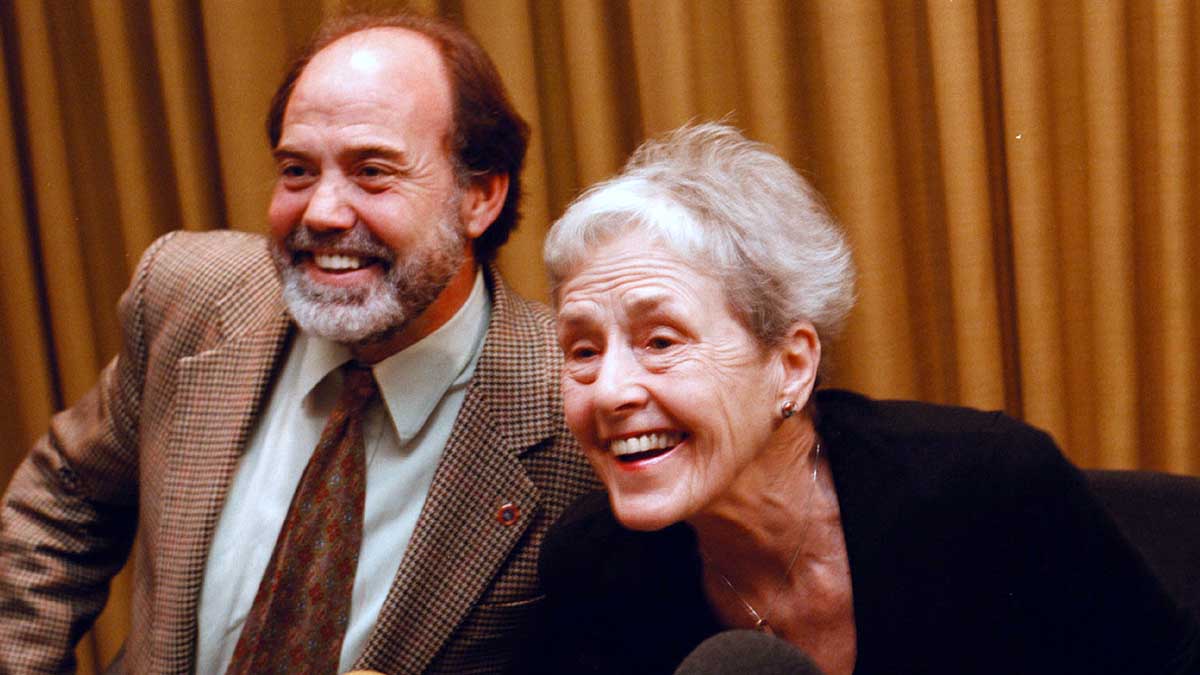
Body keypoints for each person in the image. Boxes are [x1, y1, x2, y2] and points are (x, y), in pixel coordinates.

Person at [0, 12, 595, 674]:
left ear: (479, 196)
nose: (321, 212)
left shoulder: (577, 408)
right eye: (297, 170)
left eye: (372, 171)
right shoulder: (191, 301)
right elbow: (67, 498)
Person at [530, 122, 1199, 674]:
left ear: (791, 366)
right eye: (582, 351)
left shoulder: (985, 488)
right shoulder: (592, 571)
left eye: (661, 341)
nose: (610, 390)